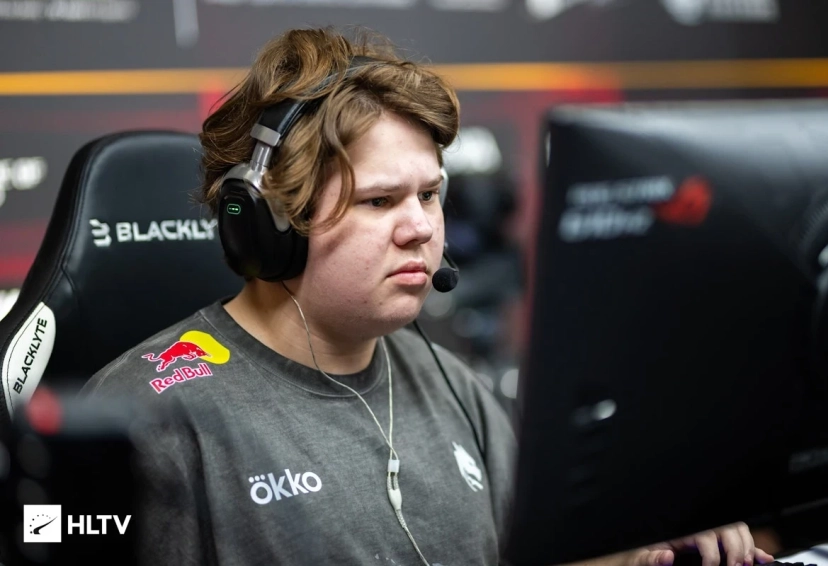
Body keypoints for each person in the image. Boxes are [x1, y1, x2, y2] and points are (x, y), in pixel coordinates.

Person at [82, 27, 775, 566]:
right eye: (380, 200)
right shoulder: (148, 417)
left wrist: (648, 551)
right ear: (268, 225)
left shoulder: (451, 385)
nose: (421, 228)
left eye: (429, 195)